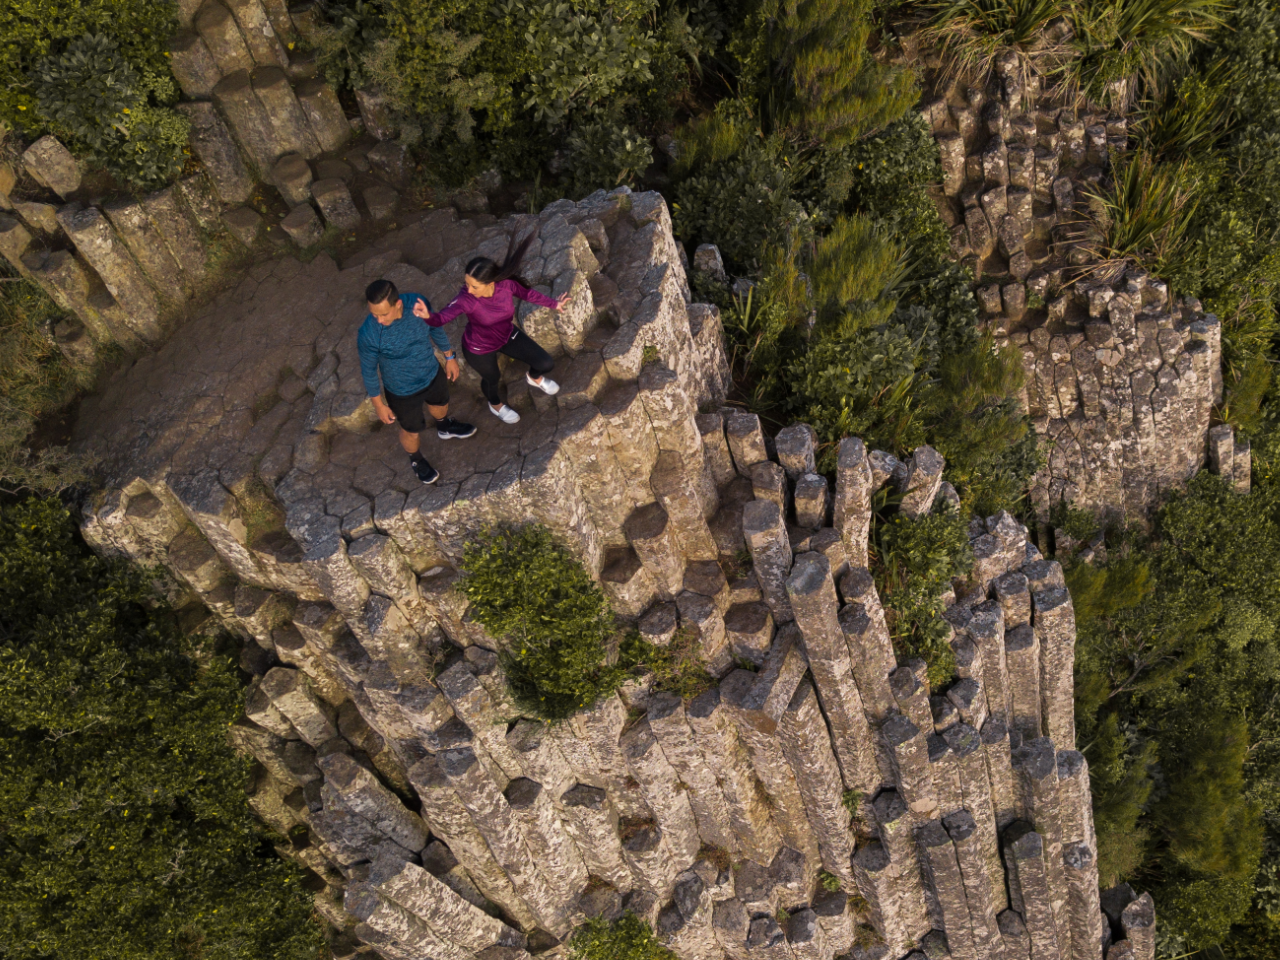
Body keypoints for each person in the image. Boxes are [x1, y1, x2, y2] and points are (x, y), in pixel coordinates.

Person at [413, 231, 568, 424]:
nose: (468, 290)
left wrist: (554, 304)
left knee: (545, 363)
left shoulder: (507, 285)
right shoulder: (465, 299)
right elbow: (442, 318)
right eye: (466, 283)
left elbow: (529, 295)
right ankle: (495, 405)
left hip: (506, 335)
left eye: (474, 286)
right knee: (492, 378)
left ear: (491, 283)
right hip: (479, 348)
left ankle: (534, 377)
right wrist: (428, 316)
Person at [357, 279, 476, 485]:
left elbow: (434, 327)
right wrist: (379, 405)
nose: (378, 319)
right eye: (374, 314)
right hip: (401, 390)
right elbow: (368, 371)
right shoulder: (369, 333)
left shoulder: (418, 304)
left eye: (383, 314)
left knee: (440, 405)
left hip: (430, 372)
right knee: (410, 431)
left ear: (398, 305)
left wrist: (449, 357)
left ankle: (444, 426)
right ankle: (416, 459)